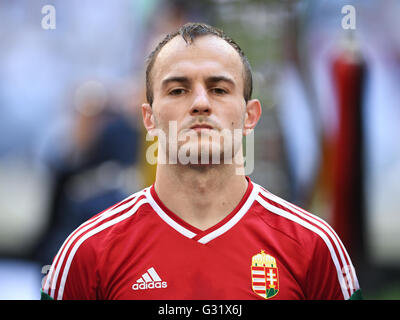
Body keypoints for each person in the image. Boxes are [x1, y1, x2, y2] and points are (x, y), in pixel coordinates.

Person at [41, 23, 362, 300]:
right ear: (148, 118)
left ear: (251, 116)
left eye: (219, 89)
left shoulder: (314, 246)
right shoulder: (88, 251)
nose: (200, 103)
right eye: (178, 90)